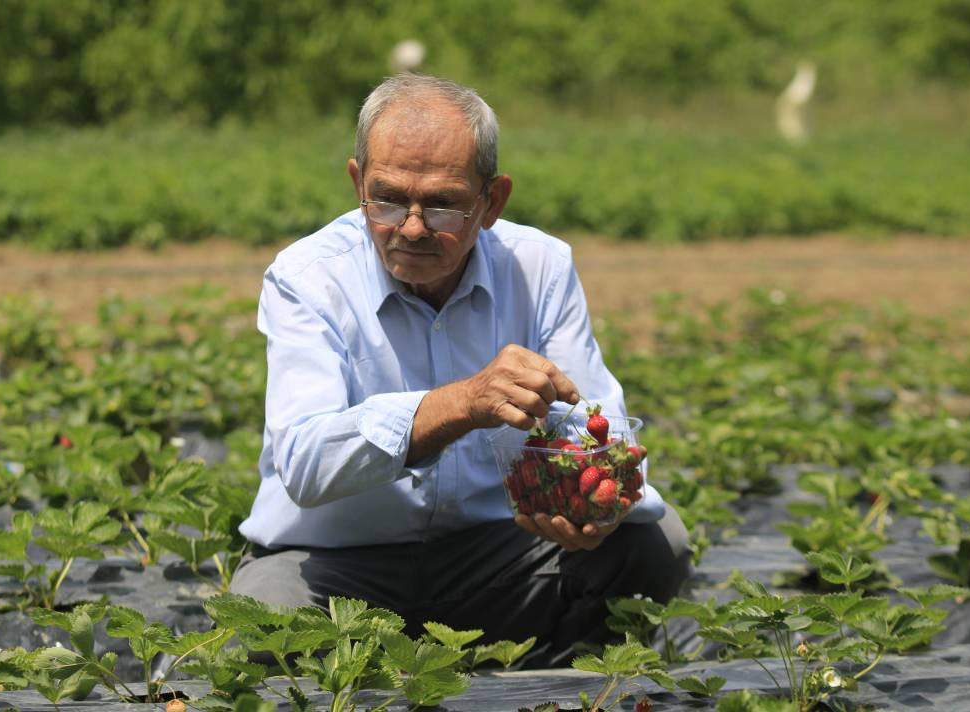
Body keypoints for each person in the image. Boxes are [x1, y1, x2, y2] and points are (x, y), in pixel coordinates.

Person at [233, 73, 691, 668]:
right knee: (263, 623)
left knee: (654, 545)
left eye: (443, 204)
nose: (413, 227)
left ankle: (563, 688)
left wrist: (590, 511)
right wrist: (456, 405)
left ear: (492, 201)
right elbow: (305, 462)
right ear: (357, 184)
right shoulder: (308, 278)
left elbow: (597, 432)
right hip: (336, 568)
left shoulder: (539, 268)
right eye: (388, 198)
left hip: (499, 561)